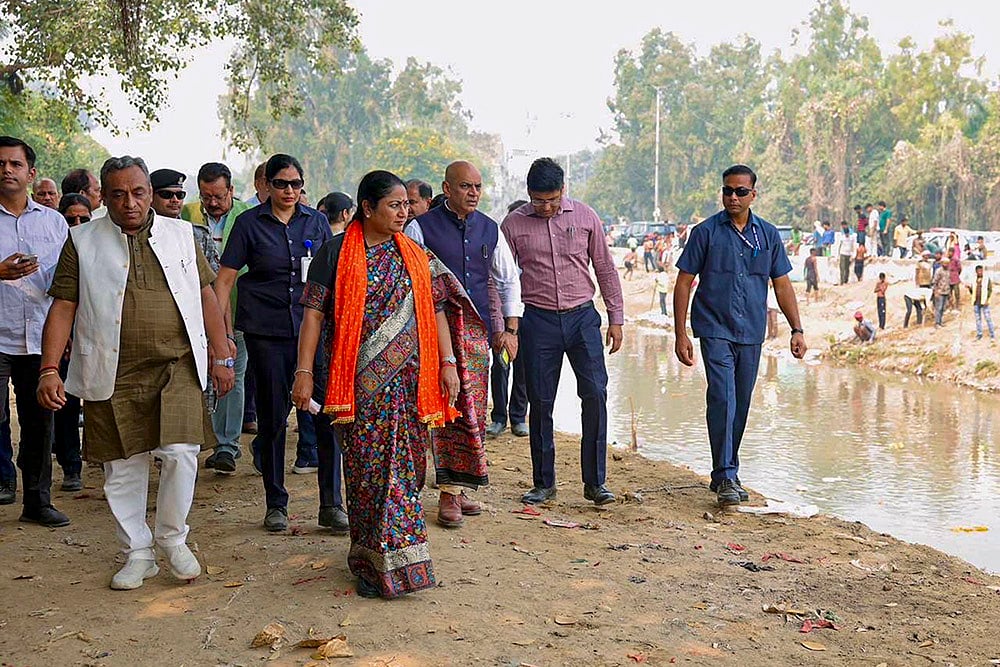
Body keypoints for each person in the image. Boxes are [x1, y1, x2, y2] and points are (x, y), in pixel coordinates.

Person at [37, 155, 235, 589]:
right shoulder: (82, 241)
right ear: (104, 197)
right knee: (123, 466)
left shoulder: (182, 235)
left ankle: (172, 538)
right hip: (113, 368)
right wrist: (49, 368)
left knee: (181, 452)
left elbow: (205, 295)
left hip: (177, 364)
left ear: (149, 192)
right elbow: (64, 306)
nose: (130, 202)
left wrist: (221, 354)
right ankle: (138, 552)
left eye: (139, 192)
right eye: (119, 194)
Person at [291, 170, 461, 598]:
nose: (404, 212)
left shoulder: (416, 255)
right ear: (367, 208)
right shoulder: (334, 253)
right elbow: (313, 316)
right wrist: (305, 372)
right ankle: (370, 562)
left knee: (405, 471)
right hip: (357, 388)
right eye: (394, 205)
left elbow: (438, 311)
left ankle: (406, 561)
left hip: (410, 386)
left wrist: (448, 362)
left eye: (407, 205)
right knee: (367, 474)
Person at [673, 164, 806, 507]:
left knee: (741, 403)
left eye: (740, 192)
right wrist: (680, 333)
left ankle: (722, 474)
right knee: (723, 396)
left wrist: (797, 328)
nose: (732, 197)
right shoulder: (705, 233)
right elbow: (684, 282)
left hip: (750, 331)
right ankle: (729, 474)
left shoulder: (768, 235)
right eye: (727, 191)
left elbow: (781, 283)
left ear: (753, 195)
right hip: (714, 329)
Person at [214, 154, 332, 532]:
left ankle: (331, 503)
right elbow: (225, 281)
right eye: (282, 184)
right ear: (266, 185)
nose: (289, 191)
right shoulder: (248, 224)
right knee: (273, 417)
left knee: (327, 416)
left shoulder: (316, 221)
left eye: (296, 184)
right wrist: (222, 336)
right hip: (267, 333)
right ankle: (275, 503)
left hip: (312, 332)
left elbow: (333, 278)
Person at [502, 157, 623, 506]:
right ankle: (544, 483)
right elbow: (505, 280)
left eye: (552, 199)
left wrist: (616, 317)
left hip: (583, 318)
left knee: (595, 395)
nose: (546, 207)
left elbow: (604, 267)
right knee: (540, 402)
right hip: (536, 321)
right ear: (528, 194)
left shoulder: (585, 217)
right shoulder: (513, 224)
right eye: (539, 200)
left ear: (563, 190)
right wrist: (507, 326)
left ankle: (595, 483)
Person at [406, 161, 521, 526]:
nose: (473, 193)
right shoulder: (419, 228)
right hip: (430, 333)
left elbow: (508, 280)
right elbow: (407, 281)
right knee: (441, 408)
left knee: (472, 408)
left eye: (478, 187)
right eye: (465, 186)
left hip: (476, 335)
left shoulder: (490, 228)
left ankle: (458, 487)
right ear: (447, 188)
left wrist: (511, 329)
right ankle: (447, 493)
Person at [0, 136, 70, 526]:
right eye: (0, 164)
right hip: (0, 333)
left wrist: (70, 332)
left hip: (41, 336)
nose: (7, 170)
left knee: (40, 421)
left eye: (14, 164)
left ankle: (37, 502)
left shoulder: (54, 221)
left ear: (31, 172)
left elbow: (68, 281)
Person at [181, 163, 255, 474]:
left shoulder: (247, 218)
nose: (212, 203)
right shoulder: (186, 215)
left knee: (232, 376)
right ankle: (195, 439)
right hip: (193, 312)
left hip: (239, 310)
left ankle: (226, 445)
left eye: (219, 196)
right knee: (196, 377)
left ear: (231, 192)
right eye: (206, 196)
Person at [50, 194, 94, 491]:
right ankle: (71, 466)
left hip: (96, 337)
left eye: (83, 219)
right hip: (64, 339)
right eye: (70, 219)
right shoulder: (54, 249)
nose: (77, 224)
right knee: (65, 405)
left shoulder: (100, 247)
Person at [487, 200, 530, 441]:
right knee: (501, 365)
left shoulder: (530, 252)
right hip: (503, 320)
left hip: (527, 319)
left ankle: (518, 416)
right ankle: (499, 417)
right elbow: (494, 288)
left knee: (523, 367)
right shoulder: (497, 250)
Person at [968, 265, 995, 340]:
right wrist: (969, 288)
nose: (980, 272)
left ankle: (992, 334)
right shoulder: (974, 280)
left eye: (981, 271)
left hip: (984, 302)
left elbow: (990, 290)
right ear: (976, 272)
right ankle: (979, 334)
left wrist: (987, 300)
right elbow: (972, 292)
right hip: (976, 302)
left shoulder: (987, 279)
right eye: (978, 271)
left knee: (988, 318)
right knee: (978, 319)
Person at [933, 256, 951, 327]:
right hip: (940, 292)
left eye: (947, 263)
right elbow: (935, 282)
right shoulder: (939, 271)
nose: (946, 265)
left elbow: (948, 281)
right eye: (945, 263)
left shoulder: (948, 271)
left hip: (946, 291)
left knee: (943, 308)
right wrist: (935, 291)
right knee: (939, 308)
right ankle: (937, 323)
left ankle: (940, 322)